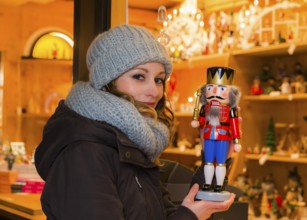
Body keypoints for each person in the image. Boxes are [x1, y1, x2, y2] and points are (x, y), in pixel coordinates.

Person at [34, 24, 235, 220]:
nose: (154, 91)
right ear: (107, 82)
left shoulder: (131, 144)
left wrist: (216, 157)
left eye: (159, 79)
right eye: (139, 76)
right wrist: (190, 216)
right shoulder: (84, 152)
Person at [191, 67, 241, 200]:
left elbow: (235, 125)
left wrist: (236, 141)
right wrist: (197, 122)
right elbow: (201, 120)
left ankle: (218, 185)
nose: (214, 91)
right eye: (210, 87)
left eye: (221, 89)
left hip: (223, 137)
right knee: (208, 162)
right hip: (208, 136)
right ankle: (207, 183)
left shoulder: (231, 110)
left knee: (220, 162)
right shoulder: (205, 108)